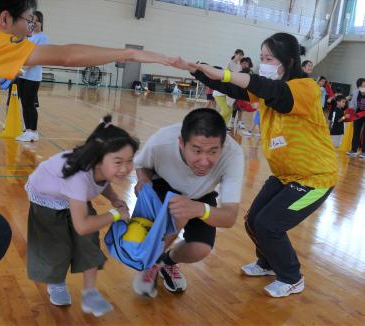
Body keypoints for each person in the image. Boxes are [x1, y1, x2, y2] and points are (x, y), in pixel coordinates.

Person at [0, 0, 173, 324]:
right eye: (29, 21)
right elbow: (68, 56)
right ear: (5, 19)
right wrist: (129, 54)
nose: (31, 29)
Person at [172, 32, 337, 297]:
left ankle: (292, 277)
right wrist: (198, 70)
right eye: (261, 58)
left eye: (269, 58)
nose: (264, 63)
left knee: (269, 225)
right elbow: (236, 90)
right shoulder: (272, 86)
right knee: (253, 221)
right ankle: (268, 263)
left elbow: (270, 90)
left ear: (289, 60)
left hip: (314, 179)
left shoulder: (303, 88)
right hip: (285, 175)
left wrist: (224, 73)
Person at [26, 115, 137, 316]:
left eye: (129, 161)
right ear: (97, 160)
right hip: (46, 199)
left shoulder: (99, 169)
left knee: (89, 241)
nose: (125, 168)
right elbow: (82, 226)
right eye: (118, 161)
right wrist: (115, 214)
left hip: (72, 195)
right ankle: (56, 282)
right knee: (56, 245)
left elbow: (102, 182)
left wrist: (113, 198)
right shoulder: (78, 177)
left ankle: (90, 292)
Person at [132, 108, 244, 297]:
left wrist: (199, 209)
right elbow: (142, 165)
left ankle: (165, 262)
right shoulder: (161, 141)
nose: (204, 161)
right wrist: (143, 180)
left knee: (200, 249)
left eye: (213, 151)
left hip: (201, 195)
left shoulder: (234, 155)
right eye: (197, 150)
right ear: (181, 143)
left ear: (223, 145)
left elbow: (230, 216)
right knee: (174, 217)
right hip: (163, 184)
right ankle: (150, 262)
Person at [16, 10, 49, 142]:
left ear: (41, 23)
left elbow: (41, 57)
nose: (33, 24)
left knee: (30, 104)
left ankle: (34, 131)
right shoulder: (29, 37)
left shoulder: (43, 37)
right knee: (24, 103)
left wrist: (25, 67)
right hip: (23, 75)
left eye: (36, 21)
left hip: (32, 76)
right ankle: (28, 131)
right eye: (31, 21)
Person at [346, 78, 365, 158]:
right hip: (358, 113)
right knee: (356, 131)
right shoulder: (355, 92)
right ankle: (354, 150)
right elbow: (352, 104)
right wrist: (349, 113)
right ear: (359, 86)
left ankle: (364, 152)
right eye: (362, 85)